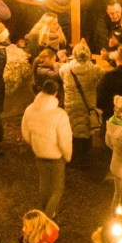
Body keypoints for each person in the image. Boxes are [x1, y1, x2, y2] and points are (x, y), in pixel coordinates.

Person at [20, 81, 72, 215]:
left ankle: (45, 208)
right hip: (56, 157)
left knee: (44, 183)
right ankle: (47, 217)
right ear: (56, 93)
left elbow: (25, 132)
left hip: (39, 154)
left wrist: (34, 144)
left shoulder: (29, 109)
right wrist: (67, 155)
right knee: (57, 189)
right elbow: (65, 139)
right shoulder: (59, 114)